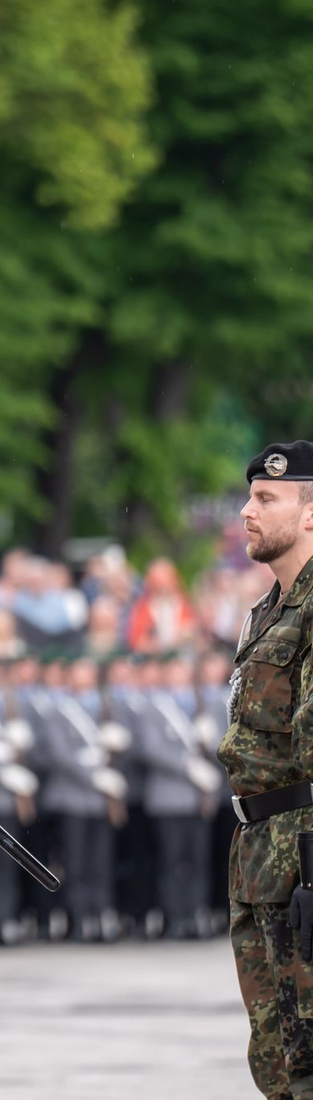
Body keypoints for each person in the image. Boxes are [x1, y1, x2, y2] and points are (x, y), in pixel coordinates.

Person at [218, 441, 313, 1096]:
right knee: (278, 1061)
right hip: (261, 853)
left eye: (267, 498)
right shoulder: (267, 611)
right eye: (250, 495)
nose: (247, 510)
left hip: (303, 849)